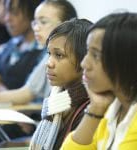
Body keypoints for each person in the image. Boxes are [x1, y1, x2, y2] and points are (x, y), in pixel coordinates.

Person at [61, 12, 137, 150]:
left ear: (126, 60)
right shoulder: (114, 107)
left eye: (95, 55)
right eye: (88, 52)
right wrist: (96, 108)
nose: (84, 64)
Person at [0, 0, 77, 104]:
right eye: (35, 23)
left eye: (43, 22)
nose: (36, 28)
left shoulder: (54, 57)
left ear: (65, 26)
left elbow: (25, 94)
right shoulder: (48, 56)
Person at [29, 18, 93, 150]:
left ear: (85, 60)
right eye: (49, 54)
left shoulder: (90, 109)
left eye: (59, 55)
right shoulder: (57, 97)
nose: (48, 63)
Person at [0, 0, 42, 91]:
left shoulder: (42, 50)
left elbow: (28, 93)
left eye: (14, 13)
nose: (7, 18)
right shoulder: (14, 43)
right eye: (7, 12)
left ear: (32, 13)